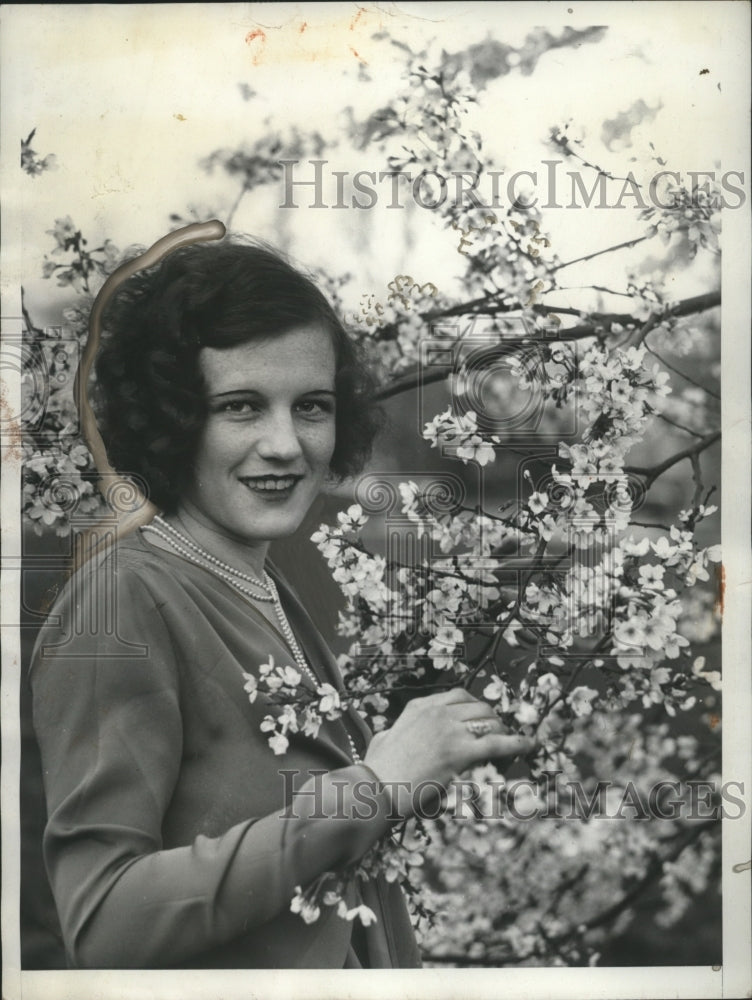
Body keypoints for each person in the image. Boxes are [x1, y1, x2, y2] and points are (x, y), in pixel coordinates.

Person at [29, 237, 533, 969]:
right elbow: (105, 920)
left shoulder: (263, 580)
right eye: (241, 406)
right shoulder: (123, 600)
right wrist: (373, 789)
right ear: (173, 418)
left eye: (312, 407)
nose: (286, 444)